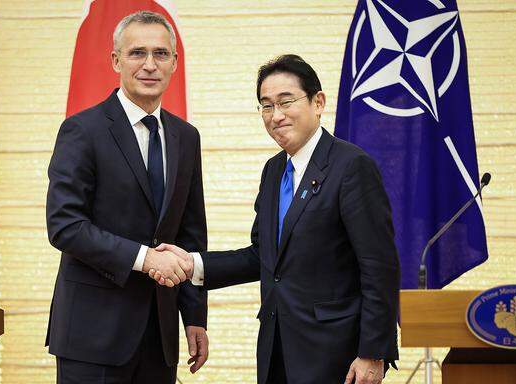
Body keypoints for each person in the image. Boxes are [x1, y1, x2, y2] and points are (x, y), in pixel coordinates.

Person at [152, 54, 400, 384]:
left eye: (286, 102)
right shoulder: (273, 171)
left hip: (335, 353)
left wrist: (373, 352)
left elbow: (378, 265)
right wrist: (192, 265)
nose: (276, 116)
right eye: (266, 106)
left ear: (318, 102)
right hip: (277, 347)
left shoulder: (351, 166)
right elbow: (262, 257)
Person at [45, 11, 208, 384]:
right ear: (116, 61)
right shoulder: (82, 130)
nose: (150, 65)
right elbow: (65, 225)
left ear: (174, 63)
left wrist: (195, 316)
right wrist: (145, 258)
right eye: (137, 53)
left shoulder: (186, 137)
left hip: (160, 336)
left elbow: (190, 232)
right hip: (92, 336)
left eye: (161, 54)